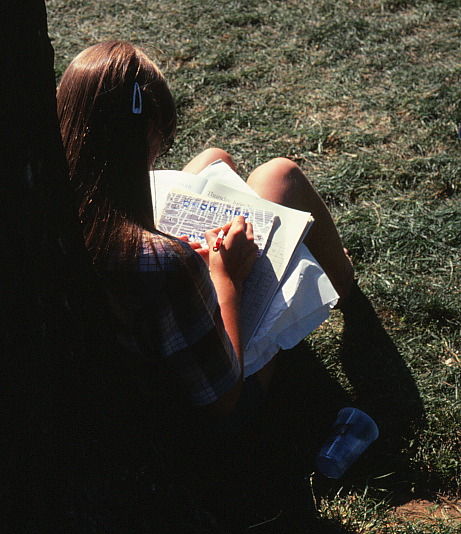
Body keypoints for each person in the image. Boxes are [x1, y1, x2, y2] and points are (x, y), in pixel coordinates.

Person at [56, 40, 354, 432]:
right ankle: (343, 278)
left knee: (215, 160)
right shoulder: (165, 262)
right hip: (205, 405)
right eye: (157, 148)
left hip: (129, 361)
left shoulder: (57, 206)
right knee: (280, 176)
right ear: (146, 132)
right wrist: (225, 276)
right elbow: (224, 401)